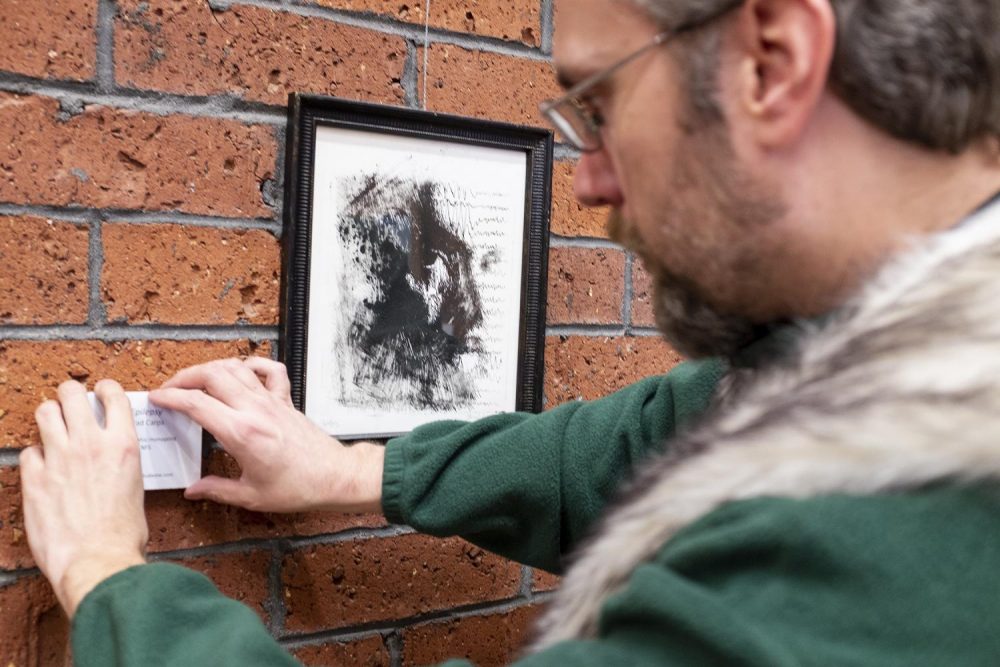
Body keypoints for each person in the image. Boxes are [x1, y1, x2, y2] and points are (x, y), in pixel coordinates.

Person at [20, 0, 1000, 663]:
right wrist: (350, 471)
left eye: (600, 104)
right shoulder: (880, 346)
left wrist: (109, 576)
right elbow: (651, 437)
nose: (587, 179)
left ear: (770, 62)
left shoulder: (889, 529)